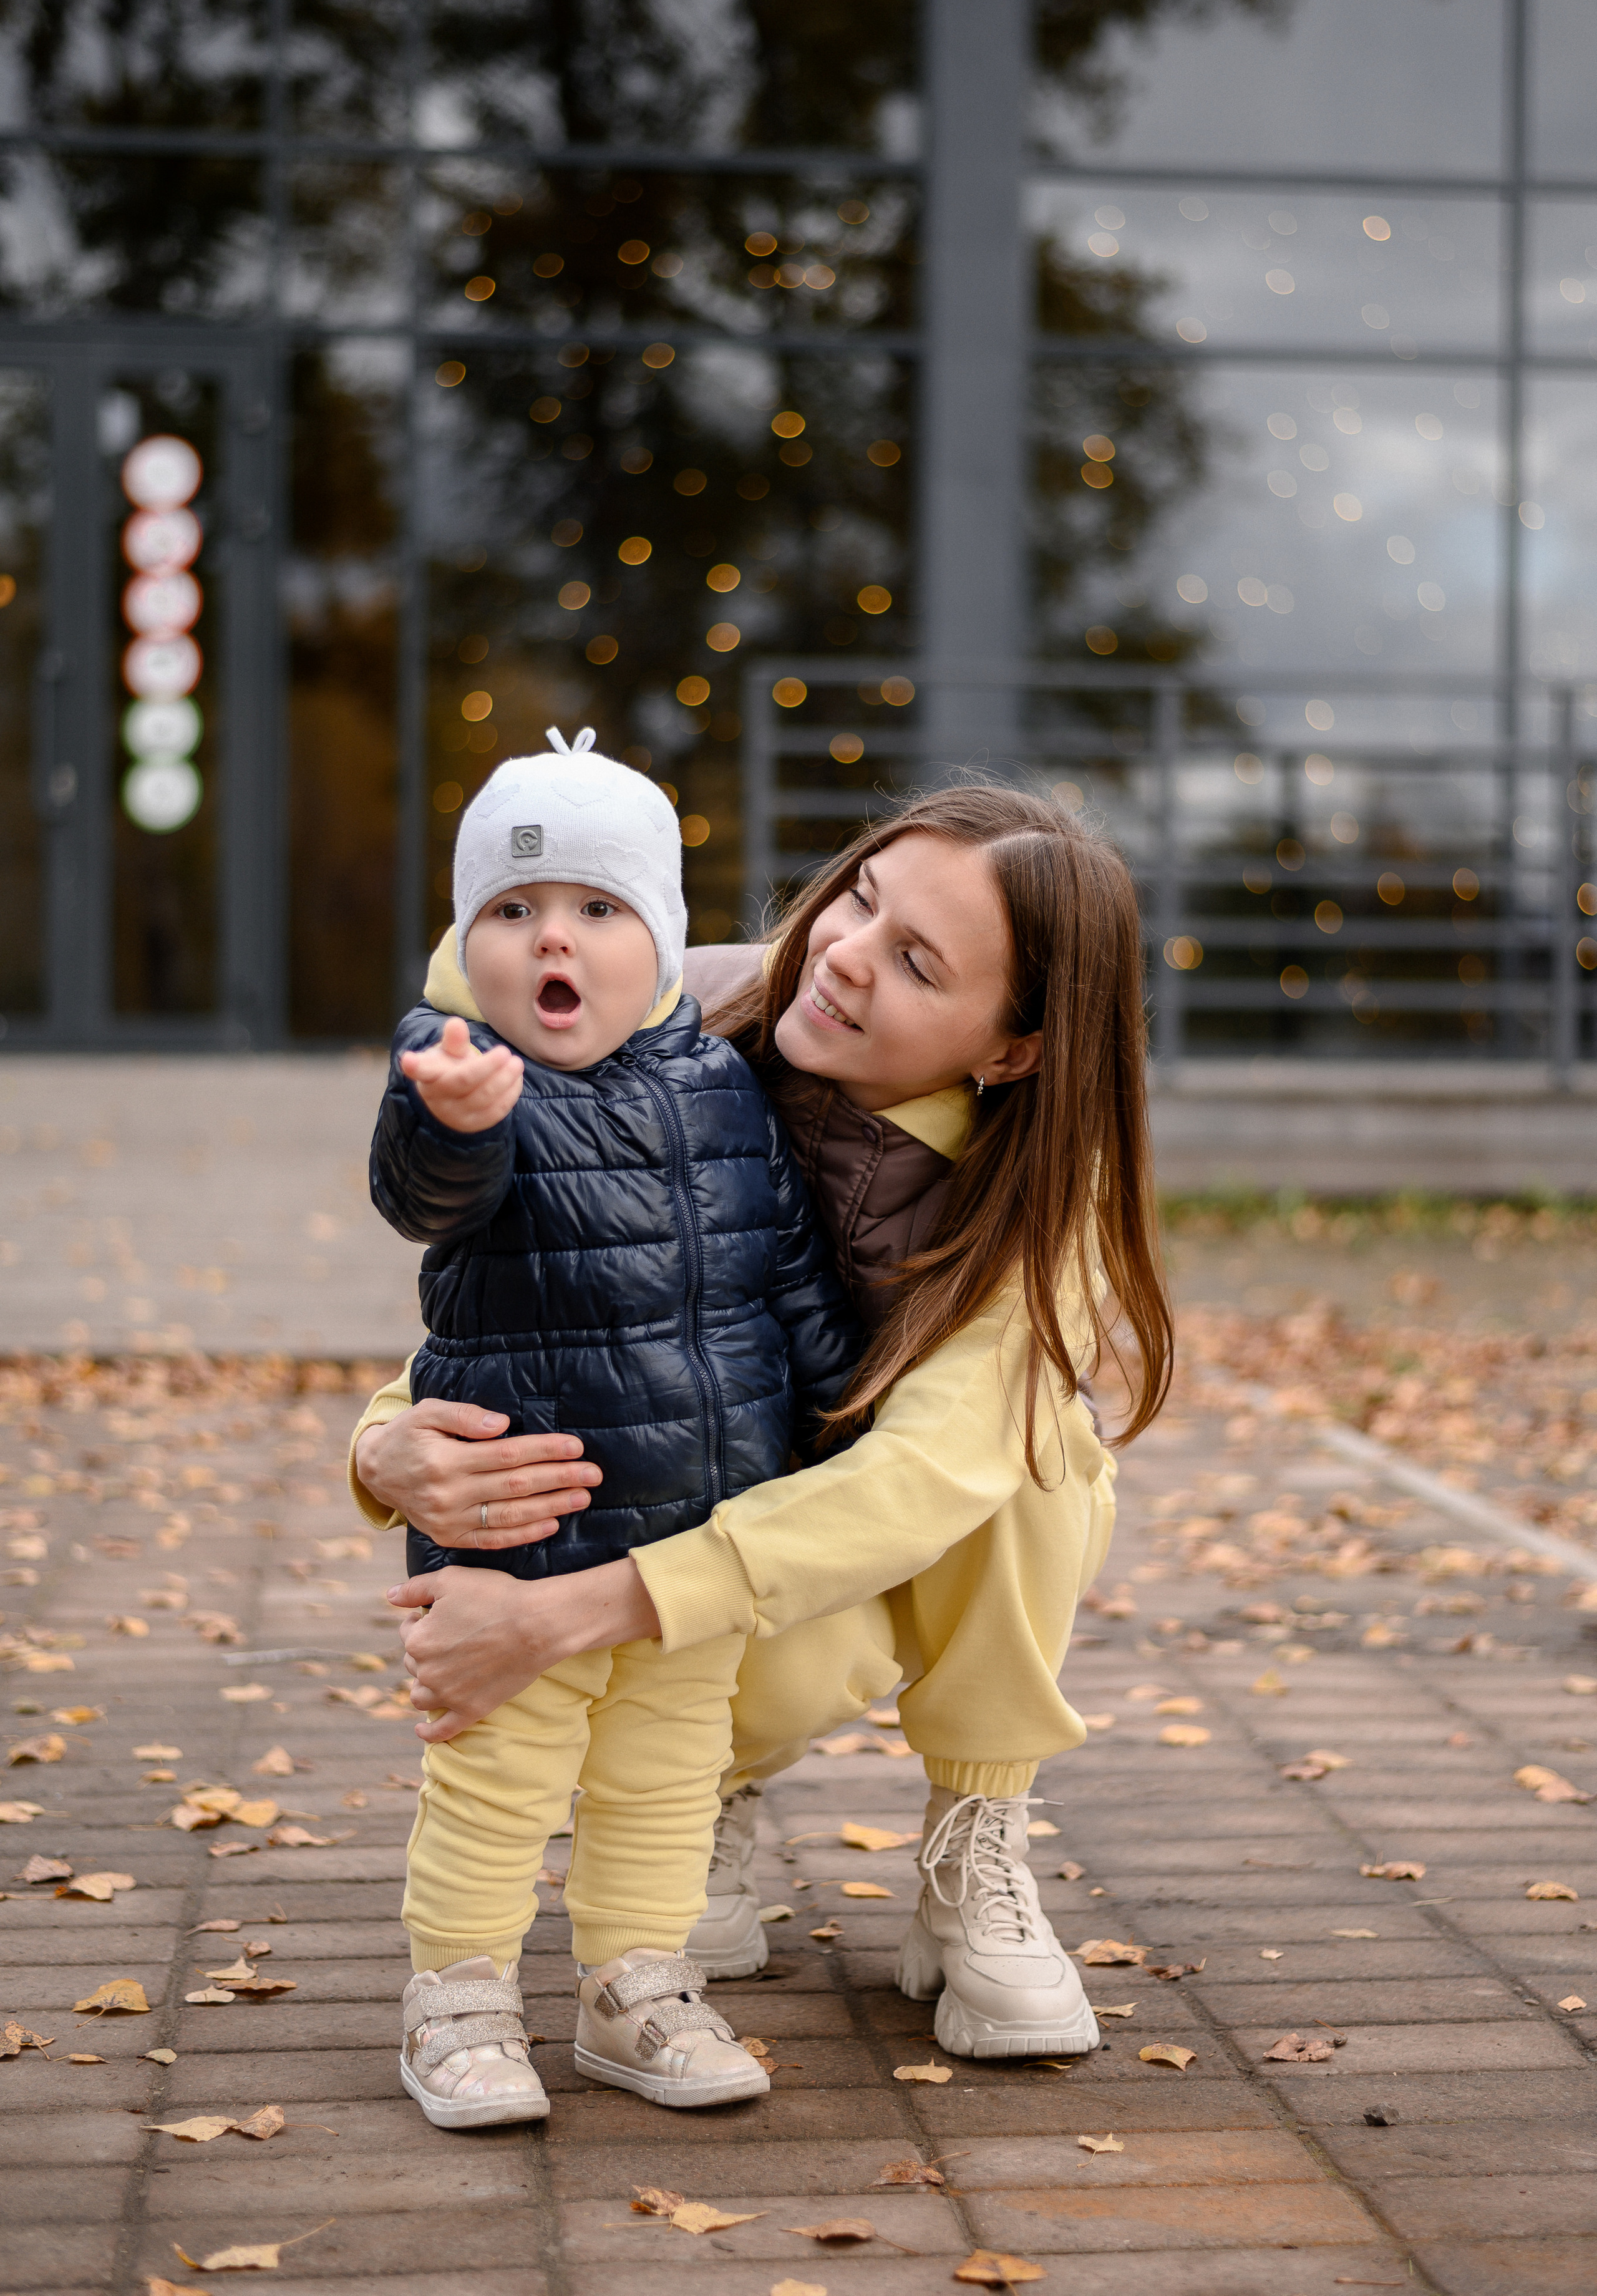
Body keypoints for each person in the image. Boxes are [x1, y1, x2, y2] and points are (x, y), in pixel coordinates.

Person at [354, 783, 1173, 2060]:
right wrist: (384, 1444)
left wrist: (557, 1615)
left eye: (914, 961)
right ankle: (701, 1806)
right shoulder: (676, 1007)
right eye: (859, 895)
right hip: (683, 1545)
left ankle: (974, 1843)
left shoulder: (1034, 1187)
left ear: (1009, 1048)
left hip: (789, 1569)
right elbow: (520, 1286)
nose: (843, 955)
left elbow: (917, 1480)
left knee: (1035, 1450)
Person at [374, 726, 859, 2129]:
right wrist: (453, 1122)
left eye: (597, 909)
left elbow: (780, 1266)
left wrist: (838, 1402)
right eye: (510, 913)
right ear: (468, 947)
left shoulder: (717, 1084)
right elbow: (425, 1195)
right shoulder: (463, 1071)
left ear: (662, 943)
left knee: (662, 1779)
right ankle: (455, 1996)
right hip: (522, 1524)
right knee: (497, 1774)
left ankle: (634, 1988)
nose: (551, 942)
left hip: (695, 1527)